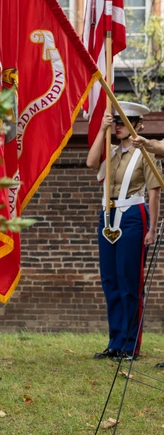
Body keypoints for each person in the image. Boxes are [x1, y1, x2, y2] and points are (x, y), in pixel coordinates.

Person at [85, 101, 160, 361]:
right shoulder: (111, 151)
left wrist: (151, 228)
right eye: (116, 122)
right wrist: (100, 131)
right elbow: (90, 162)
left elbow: (153, 195)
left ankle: (130, 346)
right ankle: (115, 342)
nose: (118, 126)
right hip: (107, 215)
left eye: (123, 122)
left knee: (130, 282)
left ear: (137, 125)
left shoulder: (144, 153)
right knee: (110, 282)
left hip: (133, 217)